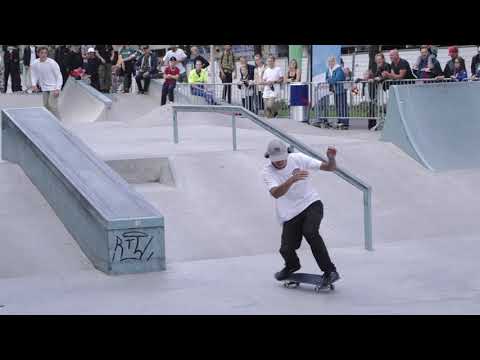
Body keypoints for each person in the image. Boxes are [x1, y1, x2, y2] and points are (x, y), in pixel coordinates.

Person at [262, 139, 340, 287]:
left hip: (311, 203)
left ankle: (330, 271)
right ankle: (291, 266)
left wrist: (331, 158)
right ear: (269, 157)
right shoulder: (267, 172)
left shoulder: (298, 158)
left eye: (282, 159)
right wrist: (291, 180)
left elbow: (329, 168)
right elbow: (276, 194)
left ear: (287, 154)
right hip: (290, 213)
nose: (279, 163)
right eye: (275, 160)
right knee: (286, 248)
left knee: (310, 232)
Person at [30, 46, 63, 118]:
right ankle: (50, 122)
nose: (44, 55)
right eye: (42, 53)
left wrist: (58, 88)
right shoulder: (35, 63)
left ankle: (59, 123)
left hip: (54, 87)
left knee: (52, 106)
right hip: (44, 87)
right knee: (46, 106)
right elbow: (33, 74)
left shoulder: (52, 63)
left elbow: (59, 76)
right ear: (38, 54)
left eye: (45, 53)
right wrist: (34, 84)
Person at [326, 56, 349, 129]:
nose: (330, 63)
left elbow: (336, 79)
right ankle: (340, 120)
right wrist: (330, 79)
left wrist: (330, 79)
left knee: (342, 106)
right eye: (329, 62)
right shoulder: (329, 70)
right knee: (338, 106)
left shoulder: (339, 69)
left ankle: (344, 122)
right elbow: (326, 78)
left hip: (341, 90)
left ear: (334, 61)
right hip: (335, 91)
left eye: (331, 61)